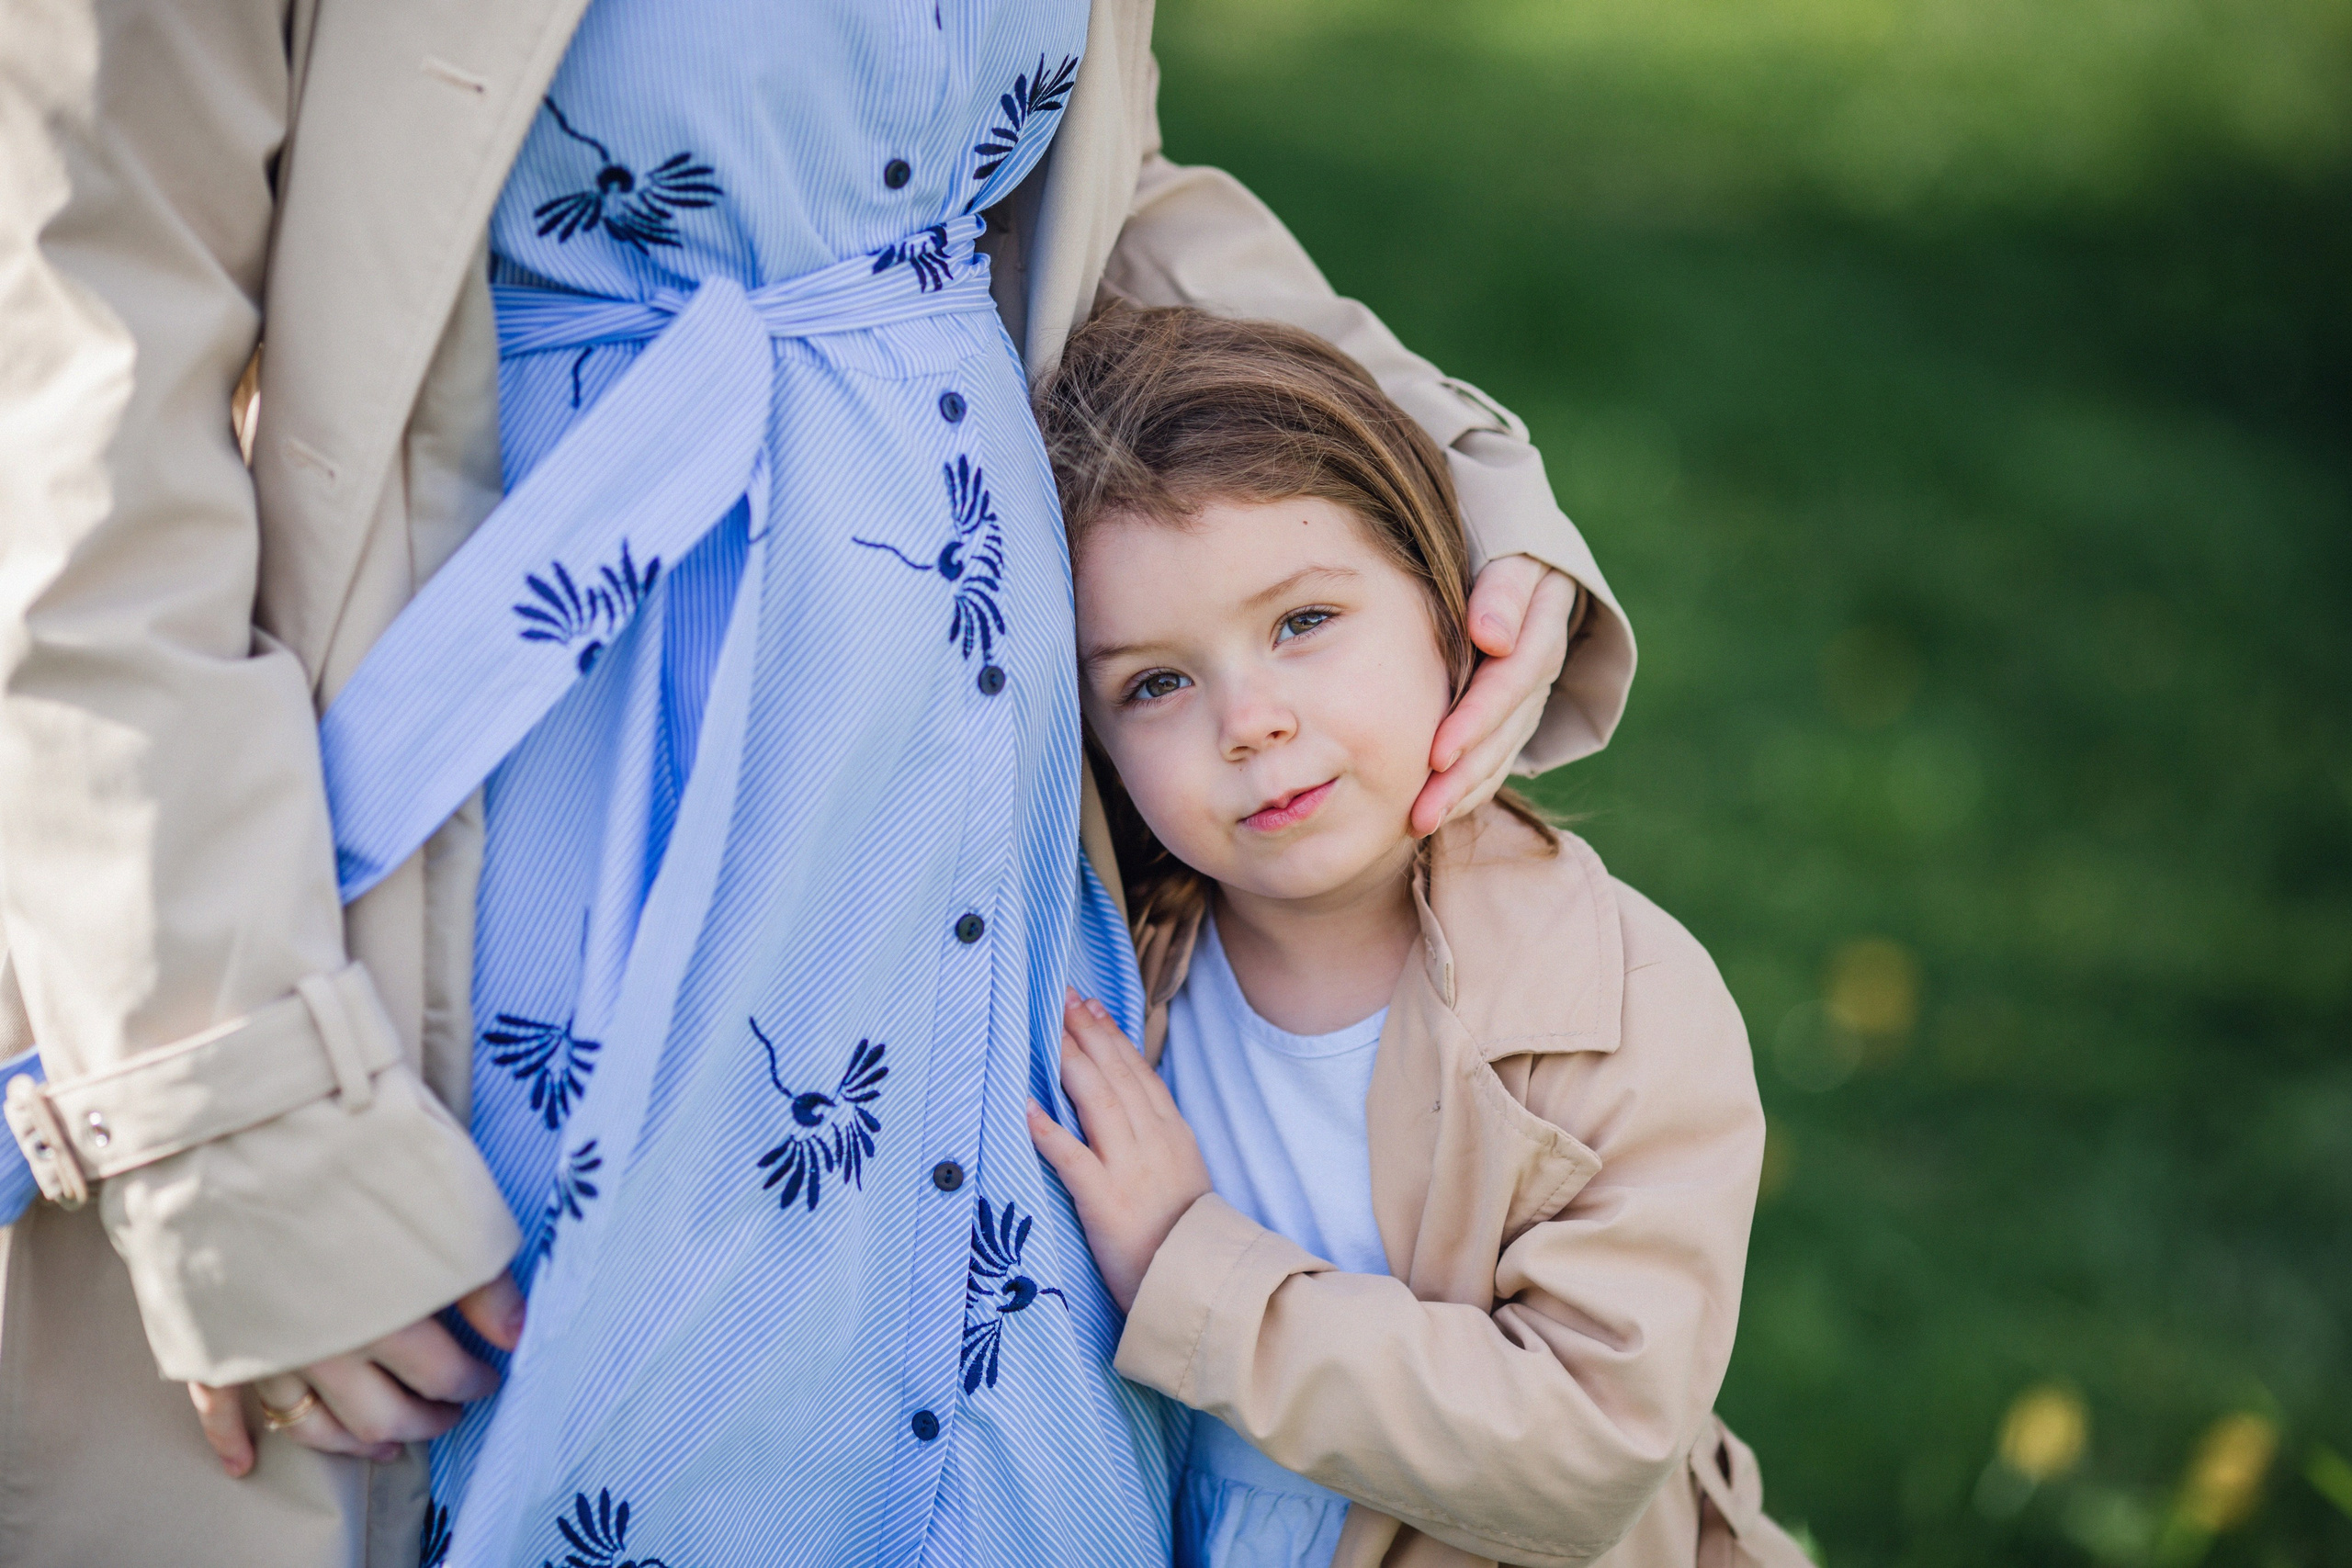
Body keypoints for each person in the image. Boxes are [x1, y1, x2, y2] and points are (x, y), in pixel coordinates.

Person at [0, 3, 1637, 1565]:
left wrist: (1412, 477)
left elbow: (1061, 178)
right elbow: (83, 354)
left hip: (979, 862)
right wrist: (218, 1095)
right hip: (528, 856)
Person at [1028, 307, 1809, 1568]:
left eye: (1302, 623)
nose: (1250, 721)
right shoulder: (1111, 978)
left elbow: (1583, 1448)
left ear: (1454, 610)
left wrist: (1192, 1269)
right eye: (1155, 684)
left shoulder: (1618, 1004)